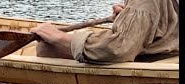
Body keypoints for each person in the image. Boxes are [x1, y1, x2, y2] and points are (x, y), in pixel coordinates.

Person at [30, 0, 179, 64]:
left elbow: (116, 48)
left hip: (157, 60)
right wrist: (127, 17)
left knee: (45, 47)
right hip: (169, 56)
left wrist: (60, 38)